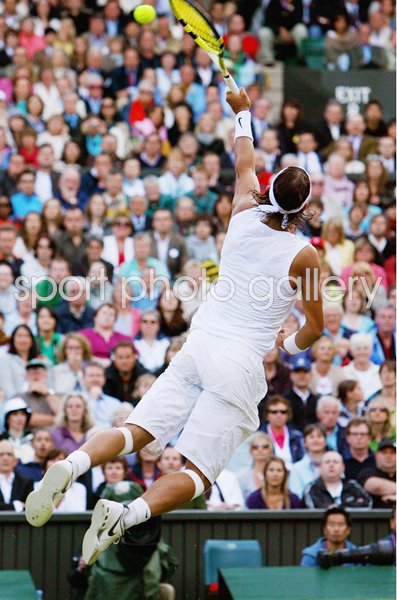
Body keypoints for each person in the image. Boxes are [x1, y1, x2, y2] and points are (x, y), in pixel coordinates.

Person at [25, 87, 324, 566]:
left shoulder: (244, 208)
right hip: (238, 364)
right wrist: (288, 344)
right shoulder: (305, 254)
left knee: (137, 431)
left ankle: (71, 464)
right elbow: (315, 328)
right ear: (305, 209)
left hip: (197, 346)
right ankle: (123, 518)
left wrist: (242, 112)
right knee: (198, 473)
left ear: (268, 191)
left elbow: (244, 157)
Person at [303, 451, 372, 509]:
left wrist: (338, 508)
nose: (331, 465)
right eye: (327, 462)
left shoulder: (353, 485)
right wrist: (351, 504)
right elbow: (314, 508)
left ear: (343, 468)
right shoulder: (311, 488)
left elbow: (368, 504)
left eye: (335, 462)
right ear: (320, 467)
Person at [288, 424, 327, 499]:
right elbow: (296, 494)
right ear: (304, 443)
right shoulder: (296, 468)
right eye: (311, 437)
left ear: (325, 441)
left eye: (319, 436)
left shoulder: (334, 463)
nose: (316, 440)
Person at [283, 357, 319, 432]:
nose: (301, 376)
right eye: (297, 372)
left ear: (311, 375)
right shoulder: (284, 399)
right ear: (291, 375)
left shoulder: (317, 399)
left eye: (305, 372)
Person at [342, 333, 382, 401]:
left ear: (371, 351)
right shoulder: (343, 372)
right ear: (351, 352)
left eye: (365, 348)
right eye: (358, 349)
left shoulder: (380, 371)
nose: (362, 351)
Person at [358, 439, 396, 509]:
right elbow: (376, 487)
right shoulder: (367, 473)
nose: (388, 456)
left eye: (393, 452)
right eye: (384, 452)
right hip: (373, 518)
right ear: (376, 455)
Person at [236, 432, 274, 501]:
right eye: (255, 447)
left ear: (271, 449)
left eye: (265, 446)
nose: (260, 450)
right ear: (251, 451)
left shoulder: (279, 473)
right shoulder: (242, 477)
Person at [0, 439, 34, 511]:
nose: (5, 458)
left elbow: (31, 508)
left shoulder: (27, 482)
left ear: (15, 461)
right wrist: (15, 506)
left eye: (9, 454)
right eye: (1, 454)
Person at [0, 398, 34, 464]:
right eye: (15, 414)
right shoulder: (1, 439)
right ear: (7, 419)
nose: (20, 418)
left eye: (23, 414)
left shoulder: (34, 439)